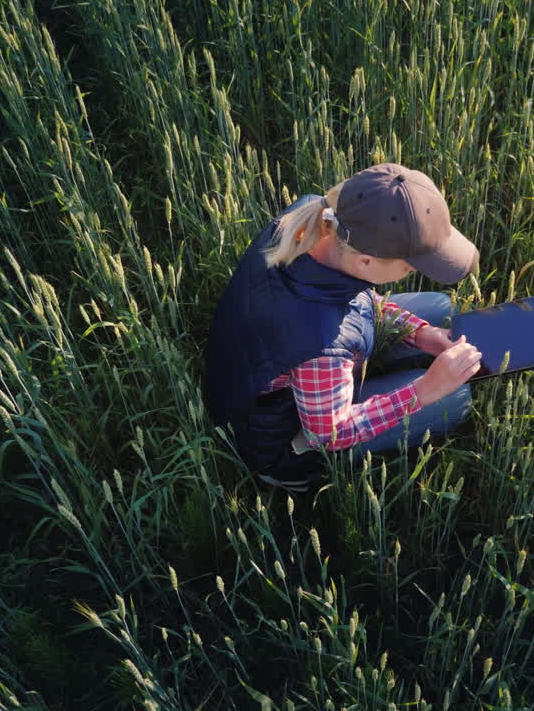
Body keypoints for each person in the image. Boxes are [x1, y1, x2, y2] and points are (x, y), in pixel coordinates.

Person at [203, 163, 483, 492]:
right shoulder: (320, 345)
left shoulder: (313, 220)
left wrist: (421, 334)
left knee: (438, 308)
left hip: (266, 361)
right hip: (283, 444)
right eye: (408, 268)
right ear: (365, 261)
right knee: (456, 398)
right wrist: (426, 390)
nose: (411, 273)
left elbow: (359, 296)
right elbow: (329, 434)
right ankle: (288, 474)